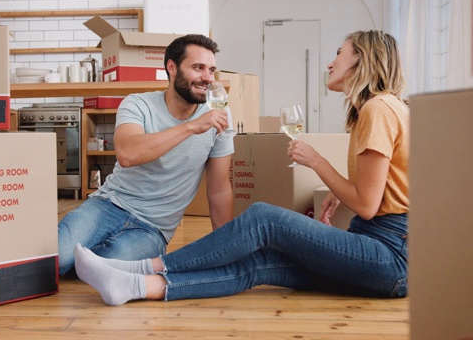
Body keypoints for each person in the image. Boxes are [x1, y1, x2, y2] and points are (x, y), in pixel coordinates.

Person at [73, 30, 410, 306]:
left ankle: (147, 267)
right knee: (258, 263)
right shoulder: (384, 107)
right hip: (385, 256)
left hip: (388, 255)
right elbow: (387, 187)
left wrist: (318, 162)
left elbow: (367, 205)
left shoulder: (377, 109)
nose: (331, 61)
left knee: (264, 217)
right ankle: (137, 286)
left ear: (362, 60)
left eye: (340, 52)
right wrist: (342, 191)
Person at [58, 34, 235, 276]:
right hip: (109, 205)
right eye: (198, 68)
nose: (207, 77)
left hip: (154, 229)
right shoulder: (138, 104)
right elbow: (128, 154)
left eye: (211, 70)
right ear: (172, 68)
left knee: (106, 267)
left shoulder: (219, 116)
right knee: (56, 258)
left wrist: (225, 249)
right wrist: (192, 127)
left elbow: (219, 189)